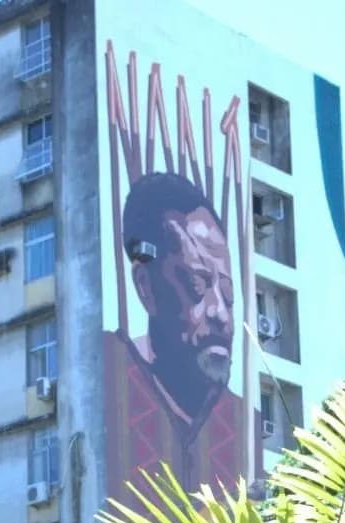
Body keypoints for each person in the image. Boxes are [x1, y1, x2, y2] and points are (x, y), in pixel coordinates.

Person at [104, 170, 245, 500]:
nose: (220, 314)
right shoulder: (108, 380)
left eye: (228, 295)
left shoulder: (240, 420)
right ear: (145, 287)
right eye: (197, 286)